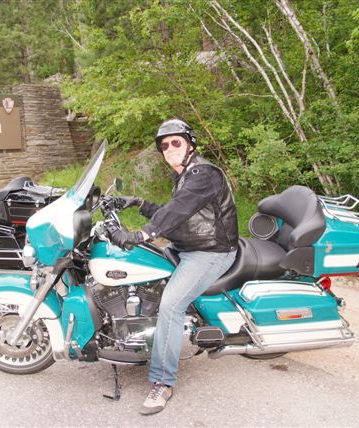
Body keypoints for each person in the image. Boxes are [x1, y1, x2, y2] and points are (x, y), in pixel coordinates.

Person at [109, 118, 239, 415]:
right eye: (164, 145)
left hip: (211, 251)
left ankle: (162, 382)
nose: (169, 148)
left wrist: (140, 235)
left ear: (190, 144)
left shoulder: (204, 173)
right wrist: (137, 202)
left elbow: (178, 210)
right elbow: (176, 212)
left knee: (170, 305)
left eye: (176, 142)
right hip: (189, 246)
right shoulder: (184, 176)